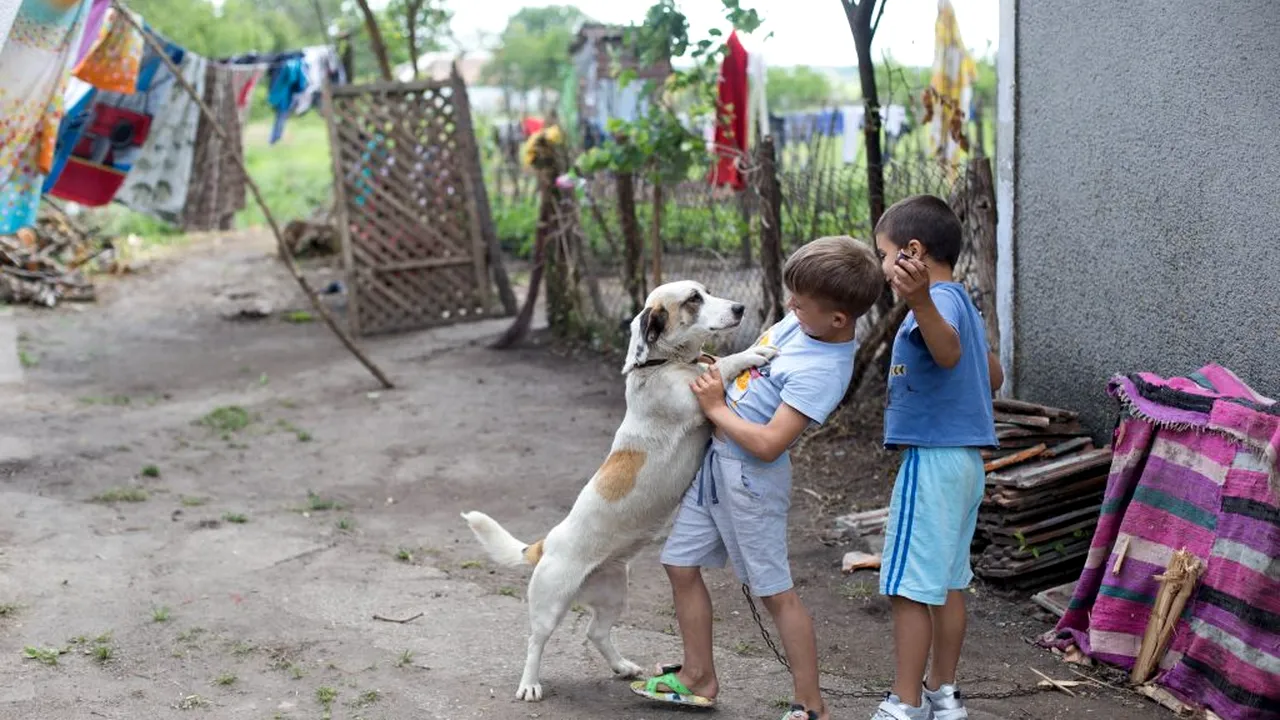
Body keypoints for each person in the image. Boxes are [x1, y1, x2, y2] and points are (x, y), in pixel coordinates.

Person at [630, 236, 884, 720]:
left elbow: (770, 442)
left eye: (800, 303)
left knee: (775, 592)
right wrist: (711, 375)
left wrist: (714, 407)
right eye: (792, 296)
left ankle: (811, 704)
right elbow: (752, 364)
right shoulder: (801, 325)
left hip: (751, 481)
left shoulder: (824, 369)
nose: (789, 306)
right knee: (679, 564)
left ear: (838, 320)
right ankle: (697, 677)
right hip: (716, 464)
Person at [869, 195, 1003, 720]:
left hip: (931, 462)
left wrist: (920, 305)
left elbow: (947, 353)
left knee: (907, 588)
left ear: (913, 252)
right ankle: (942, 695)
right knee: (947, 585)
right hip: (965, 465)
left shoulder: (936, 304)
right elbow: (992, 377)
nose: (881, 265)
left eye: (884, 254)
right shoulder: (960, 301)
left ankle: (904, 704)